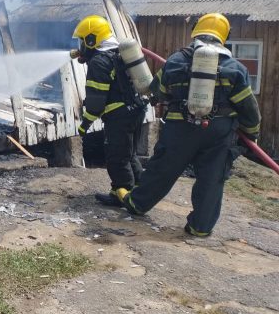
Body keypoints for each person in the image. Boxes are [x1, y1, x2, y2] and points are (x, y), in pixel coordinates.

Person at [106, 13, 261, 237]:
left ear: (196, 31)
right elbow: (248, 108)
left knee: (162, 169)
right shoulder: (235, 68)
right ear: (224, 37)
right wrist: (251, 133)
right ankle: (200, 227)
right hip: (218, 133)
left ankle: (137, 204)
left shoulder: (176, 61)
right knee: (211, 178)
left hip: (180, 128)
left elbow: (158, 92)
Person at [72, 15, 148, 205]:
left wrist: (84, 125)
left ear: (92, 40)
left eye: (83, 41)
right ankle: (142, 190)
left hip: (119, 117)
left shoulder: (99, 62)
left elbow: (96, 104)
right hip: (137, 111)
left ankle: (123, 195)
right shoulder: (120, 53)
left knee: (117, 158)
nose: (81, 46)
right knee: (129, 154)